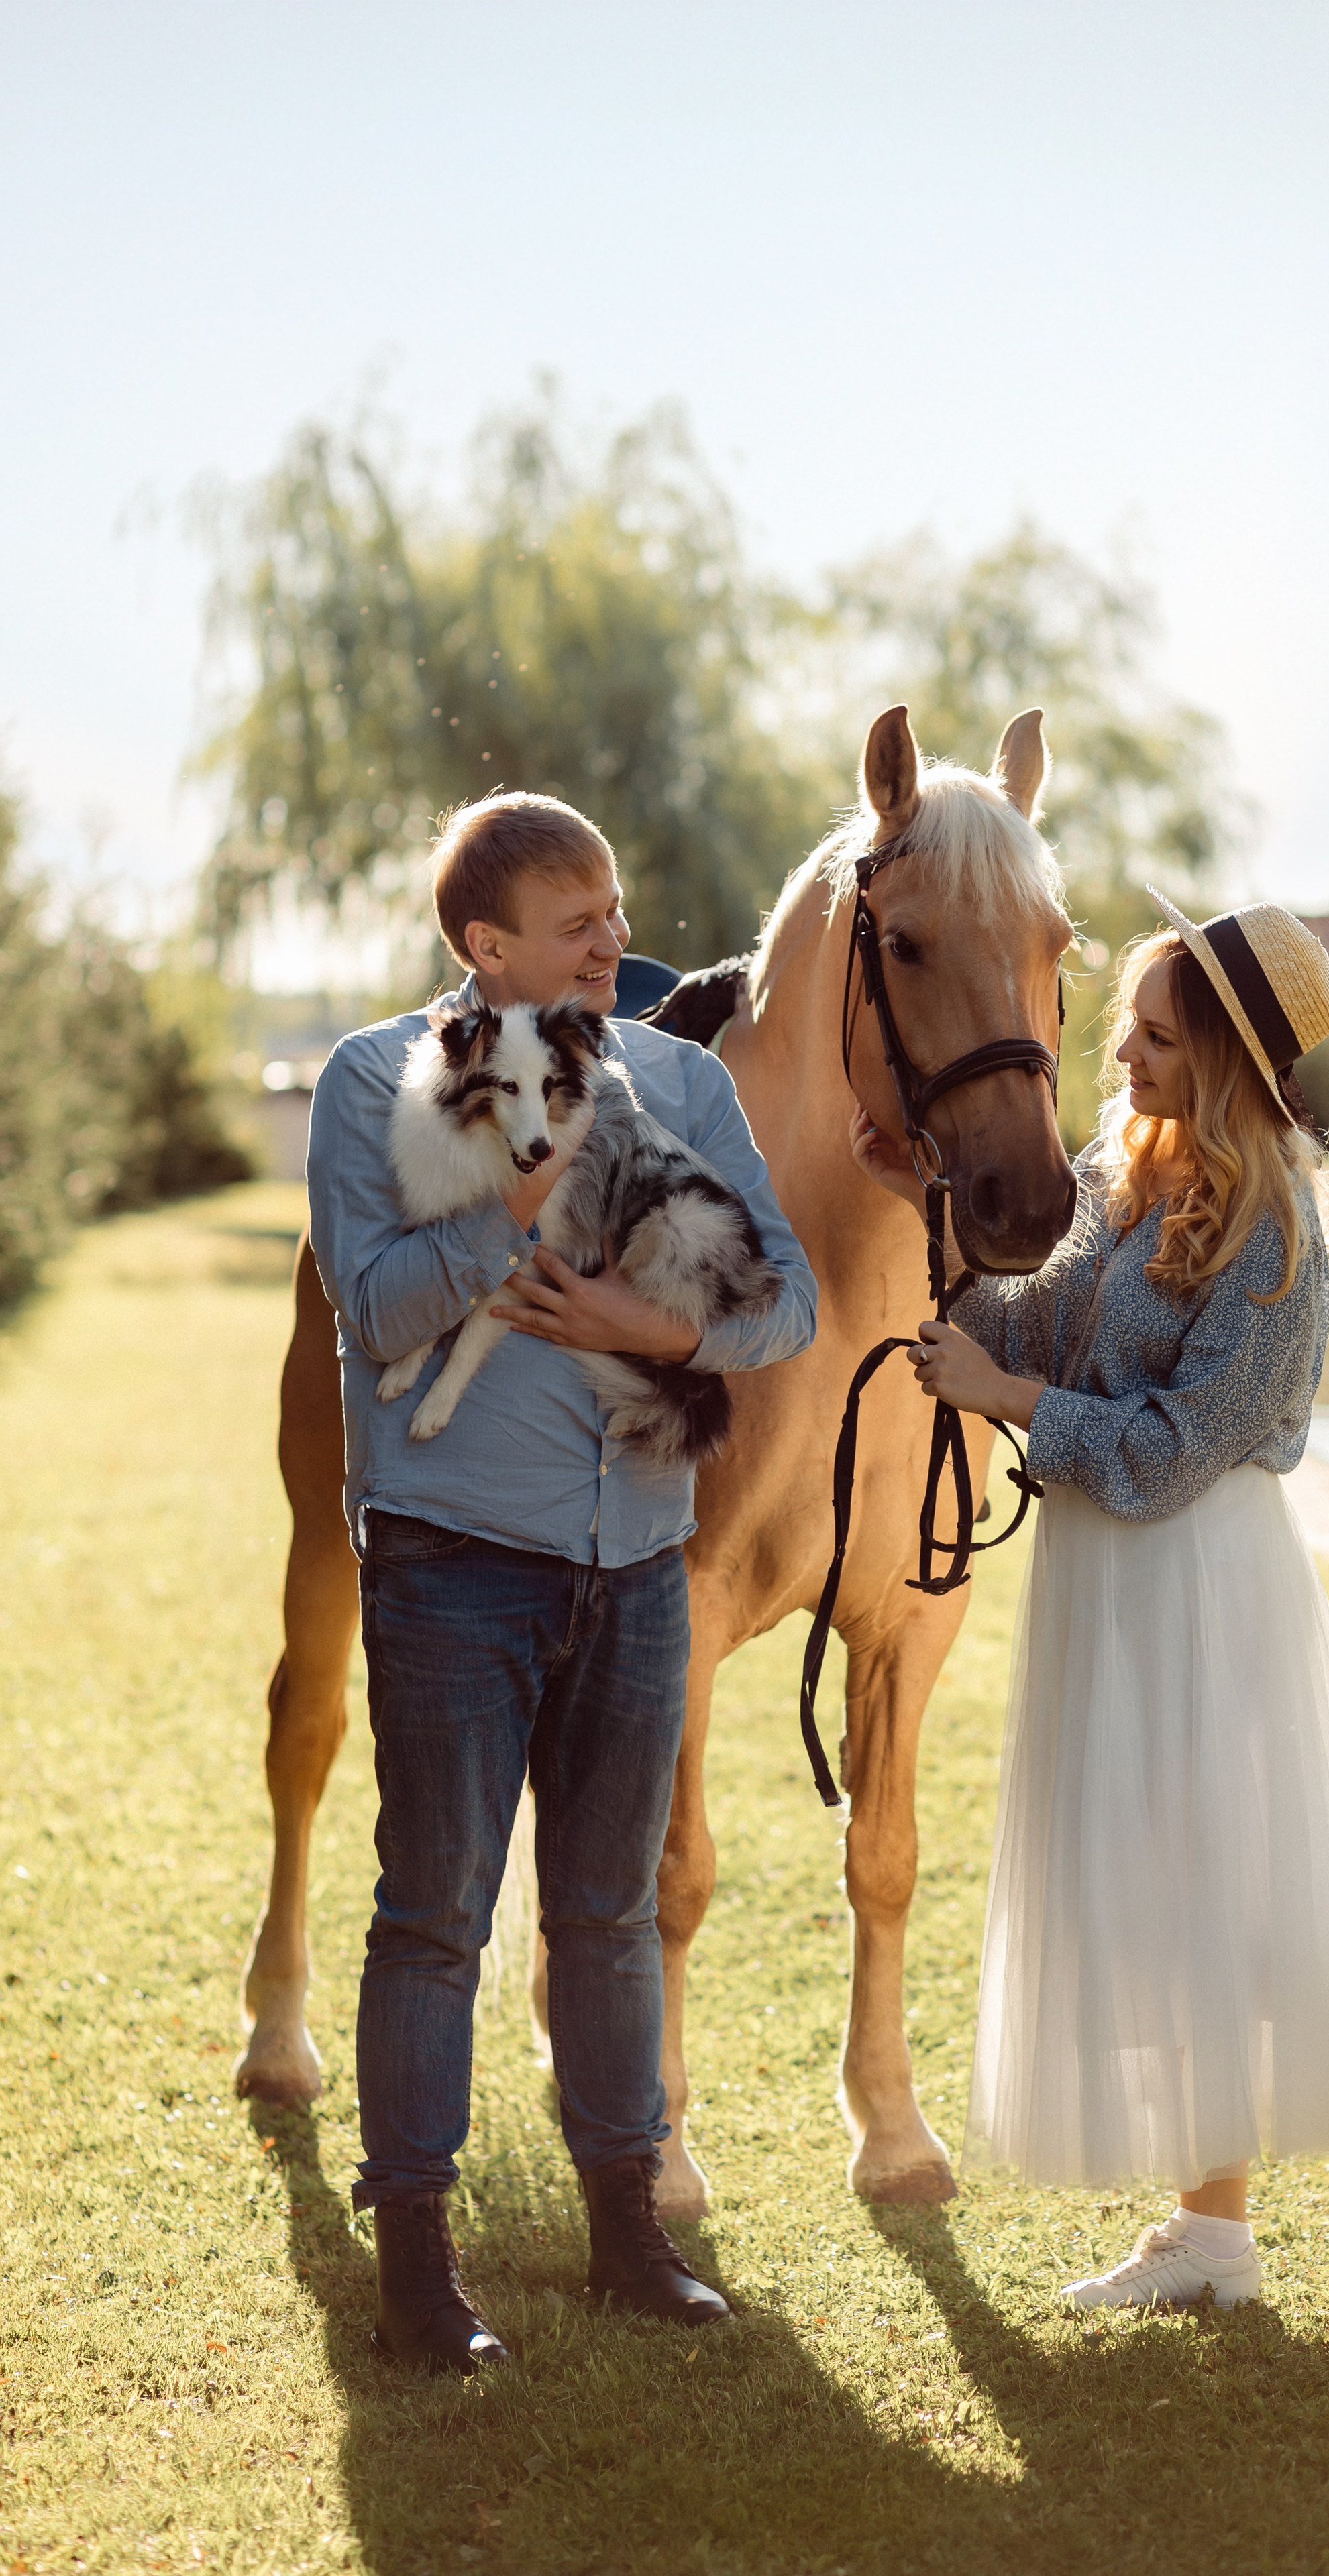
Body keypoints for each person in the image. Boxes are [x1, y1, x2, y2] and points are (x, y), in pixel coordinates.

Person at [852, 891, 1329, 2312]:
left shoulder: (1274, 1235)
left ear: (1224, 1057)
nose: (1123, 1057)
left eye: (1155, 1037)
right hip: (1105, 1573)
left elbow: (1164, 1450)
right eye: (1129, 1028)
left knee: (1216, 1891)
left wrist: (1012, 1401)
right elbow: (1032, 1329)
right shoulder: (1121, 1170)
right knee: (1162, 1901)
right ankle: (1211, 2238)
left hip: (1197, 1578)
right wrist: (927, 1214)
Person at [308, 791, 817, 2371]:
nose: (616, 938)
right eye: (579, 917)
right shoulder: (371, 1083)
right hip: (456, 1568)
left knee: (604, 1913)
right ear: (487, 945)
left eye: (613, 906)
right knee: (436, 1920)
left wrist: (643, 1329)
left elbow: (784, 1301)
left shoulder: (679, 1074)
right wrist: (513, 1210)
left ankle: (626, 2237)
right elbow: (377, 1310)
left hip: (641, 1564)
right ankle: (414, 2269)